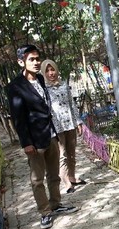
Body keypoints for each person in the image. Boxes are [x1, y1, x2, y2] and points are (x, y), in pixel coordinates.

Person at [6, 44, 78, 229]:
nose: (37, 62)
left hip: (51, 134)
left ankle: (56, 204)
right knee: (37, 179)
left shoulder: (40, 78)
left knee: (53, 174)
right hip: (34, 140)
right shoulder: (15, 87)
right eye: (32, 59)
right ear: (21, 62)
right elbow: (18, 118)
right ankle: (44, 212)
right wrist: (26, 143)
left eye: (38, 58)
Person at [40, 59, 86, 194]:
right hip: (57, 126)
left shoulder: (64, 85)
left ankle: (72, 176)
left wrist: (78, 121)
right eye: (47, 70)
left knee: (72, 152)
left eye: (52, 69)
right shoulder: (44, 90)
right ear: (43, 72)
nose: (51, 73)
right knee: (62, 154)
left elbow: (72, 104)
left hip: (70, 123)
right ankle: (66, 182)